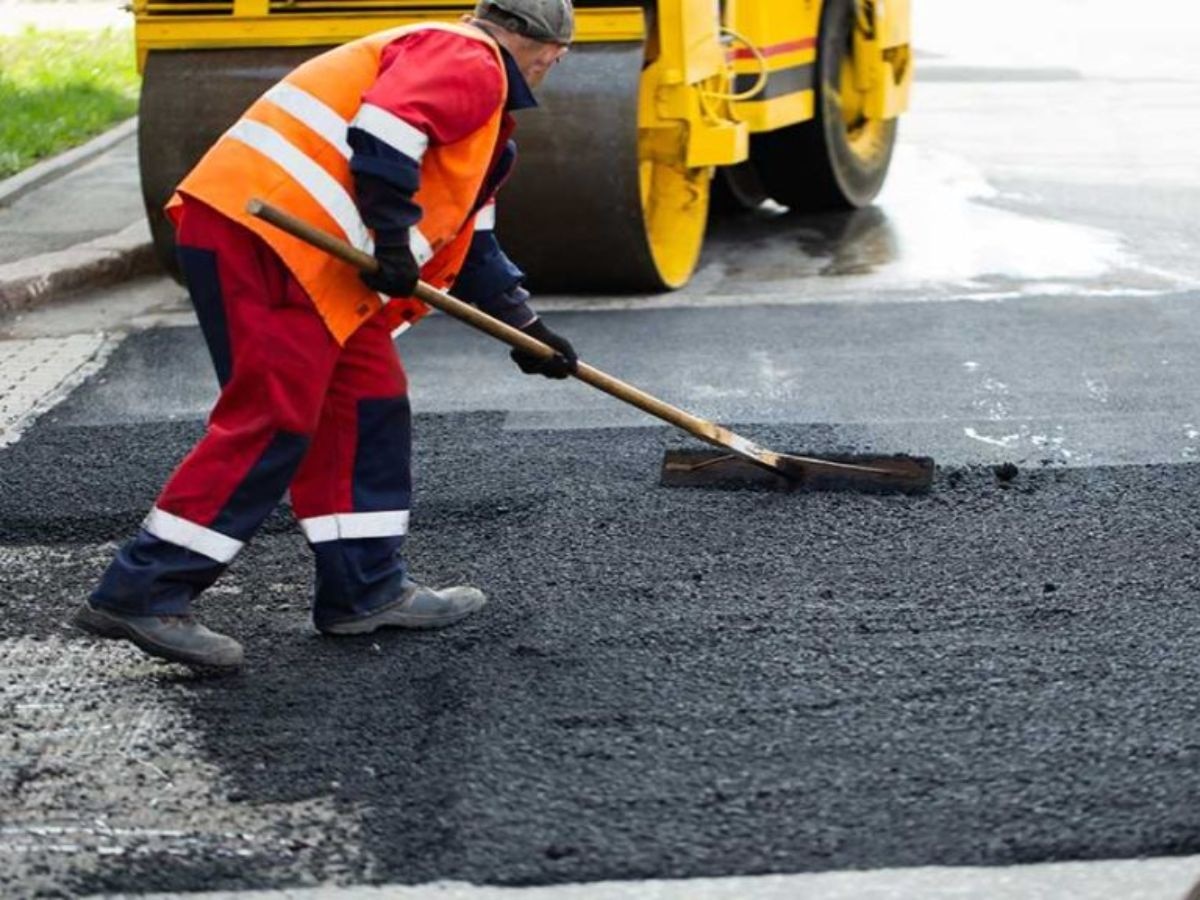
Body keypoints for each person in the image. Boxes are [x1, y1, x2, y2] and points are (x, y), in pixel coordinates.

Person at [72, 0, 578, 670]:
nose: (551, 67)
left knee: (366, 404)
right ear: (547, 47)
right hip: (272, 240)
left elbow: (472, 242)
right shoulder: (469, 57)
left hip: (316, 260)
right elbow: (386, 129)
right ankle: (142, 590)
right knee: (275, 417)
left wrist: (526, 328)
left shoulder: (485, 123)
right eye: (555, 56)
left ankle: (363, 590)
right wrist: (393, 237)